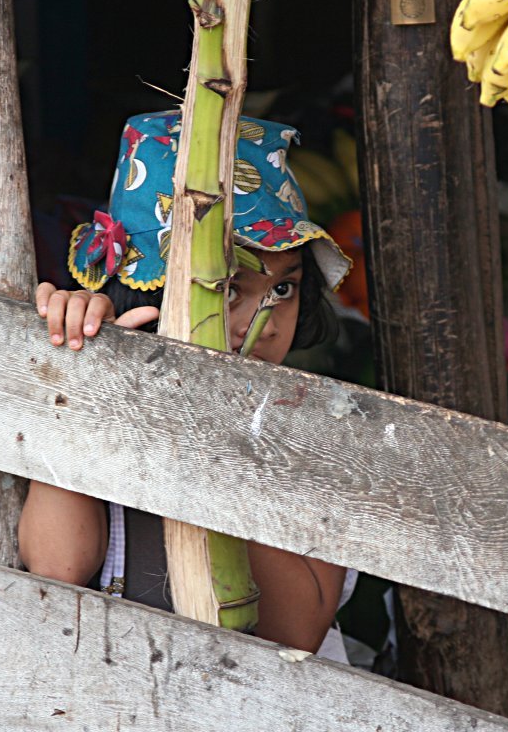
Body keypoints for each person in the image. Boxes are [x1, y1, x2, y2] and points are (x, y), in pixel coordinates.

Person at [19, 111, 356, 660]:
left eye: (286, 288)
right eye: (229, 289)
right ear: (150, 288)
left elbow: (295, 633)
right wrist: (86, 380)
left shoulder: (319, 430)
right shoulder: (115, 403)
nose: (265, 320)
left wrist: (220, 434)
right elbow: (59, 566)